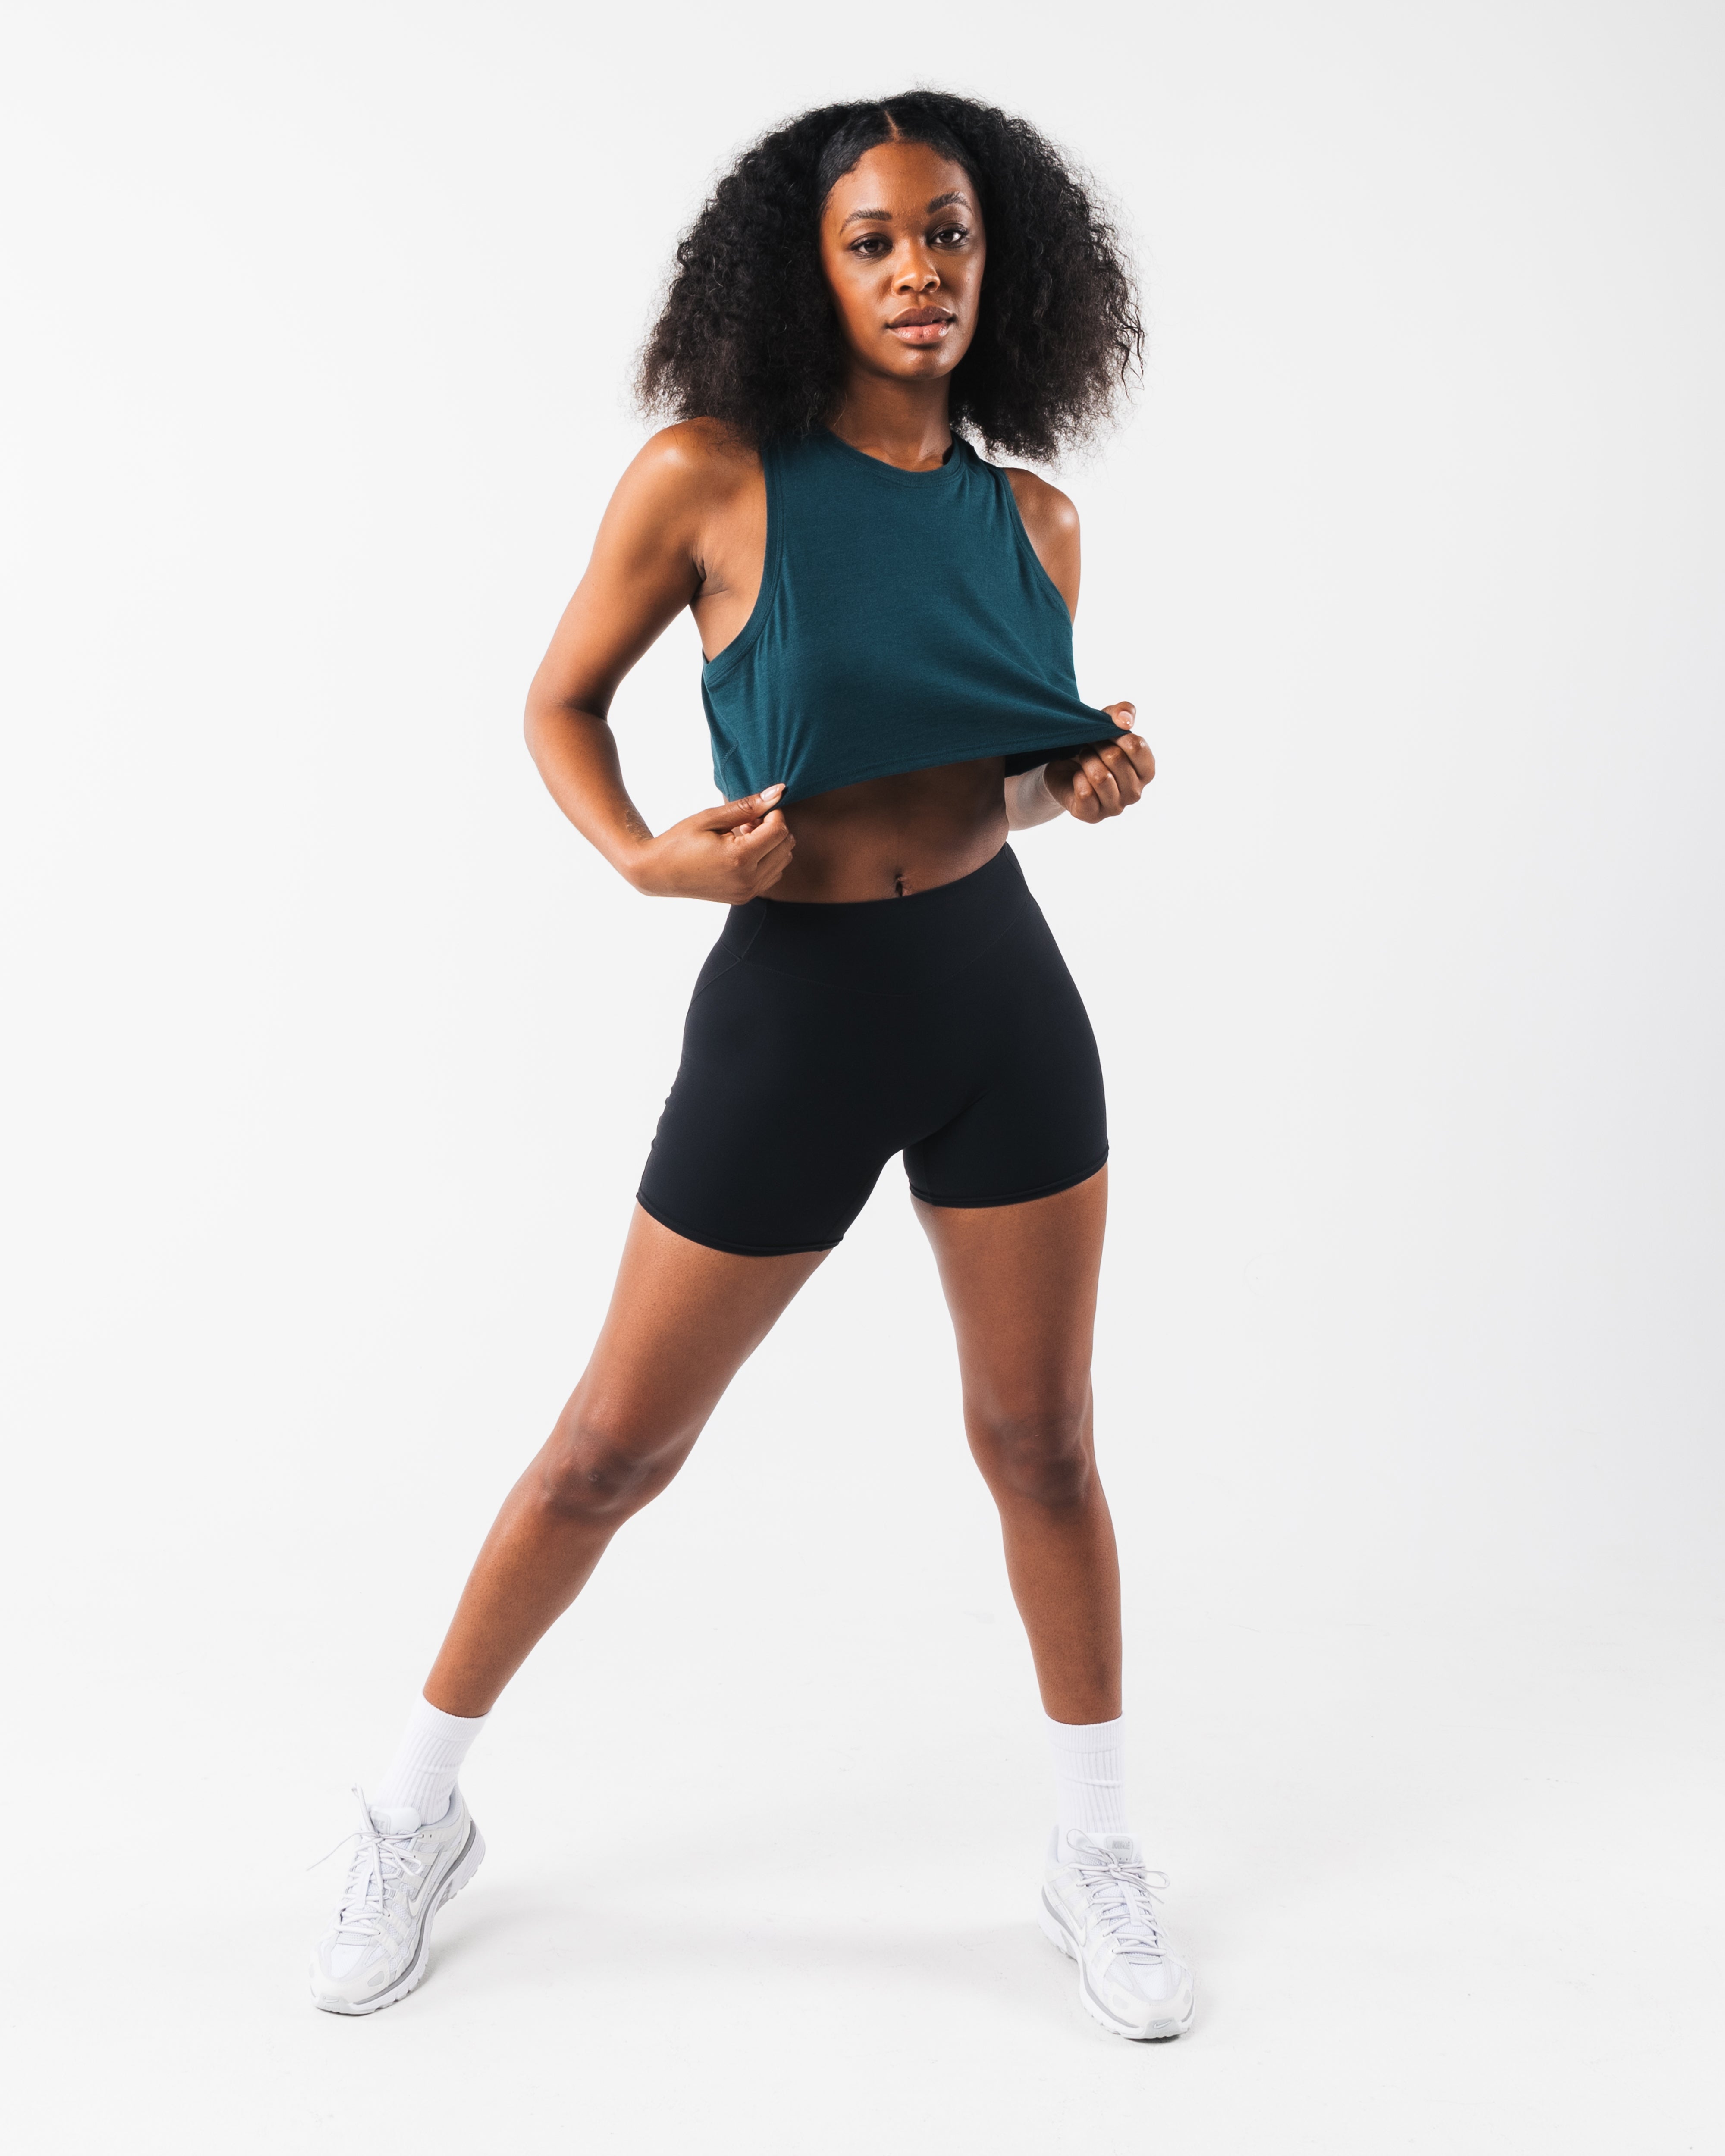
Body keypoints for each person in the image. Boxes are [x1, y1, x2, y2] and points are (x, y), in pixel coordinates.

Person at [310, 90, 1193, 2041]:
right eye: (873, 240)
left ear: (1003, 263)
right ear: (808, 272)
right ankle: (410, 1811)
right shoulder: (708, 478)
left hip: (999, 1001)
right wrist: (644, 855)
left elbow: (995, 782)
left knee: (1042, 1444)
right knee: (611, 1450)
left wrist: (1077, 783)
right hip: (797, 1012)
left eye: (948, 235)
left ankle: (1096, 1849)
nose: (918, 272)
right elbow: (560, 701)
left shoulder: (1034, 521)